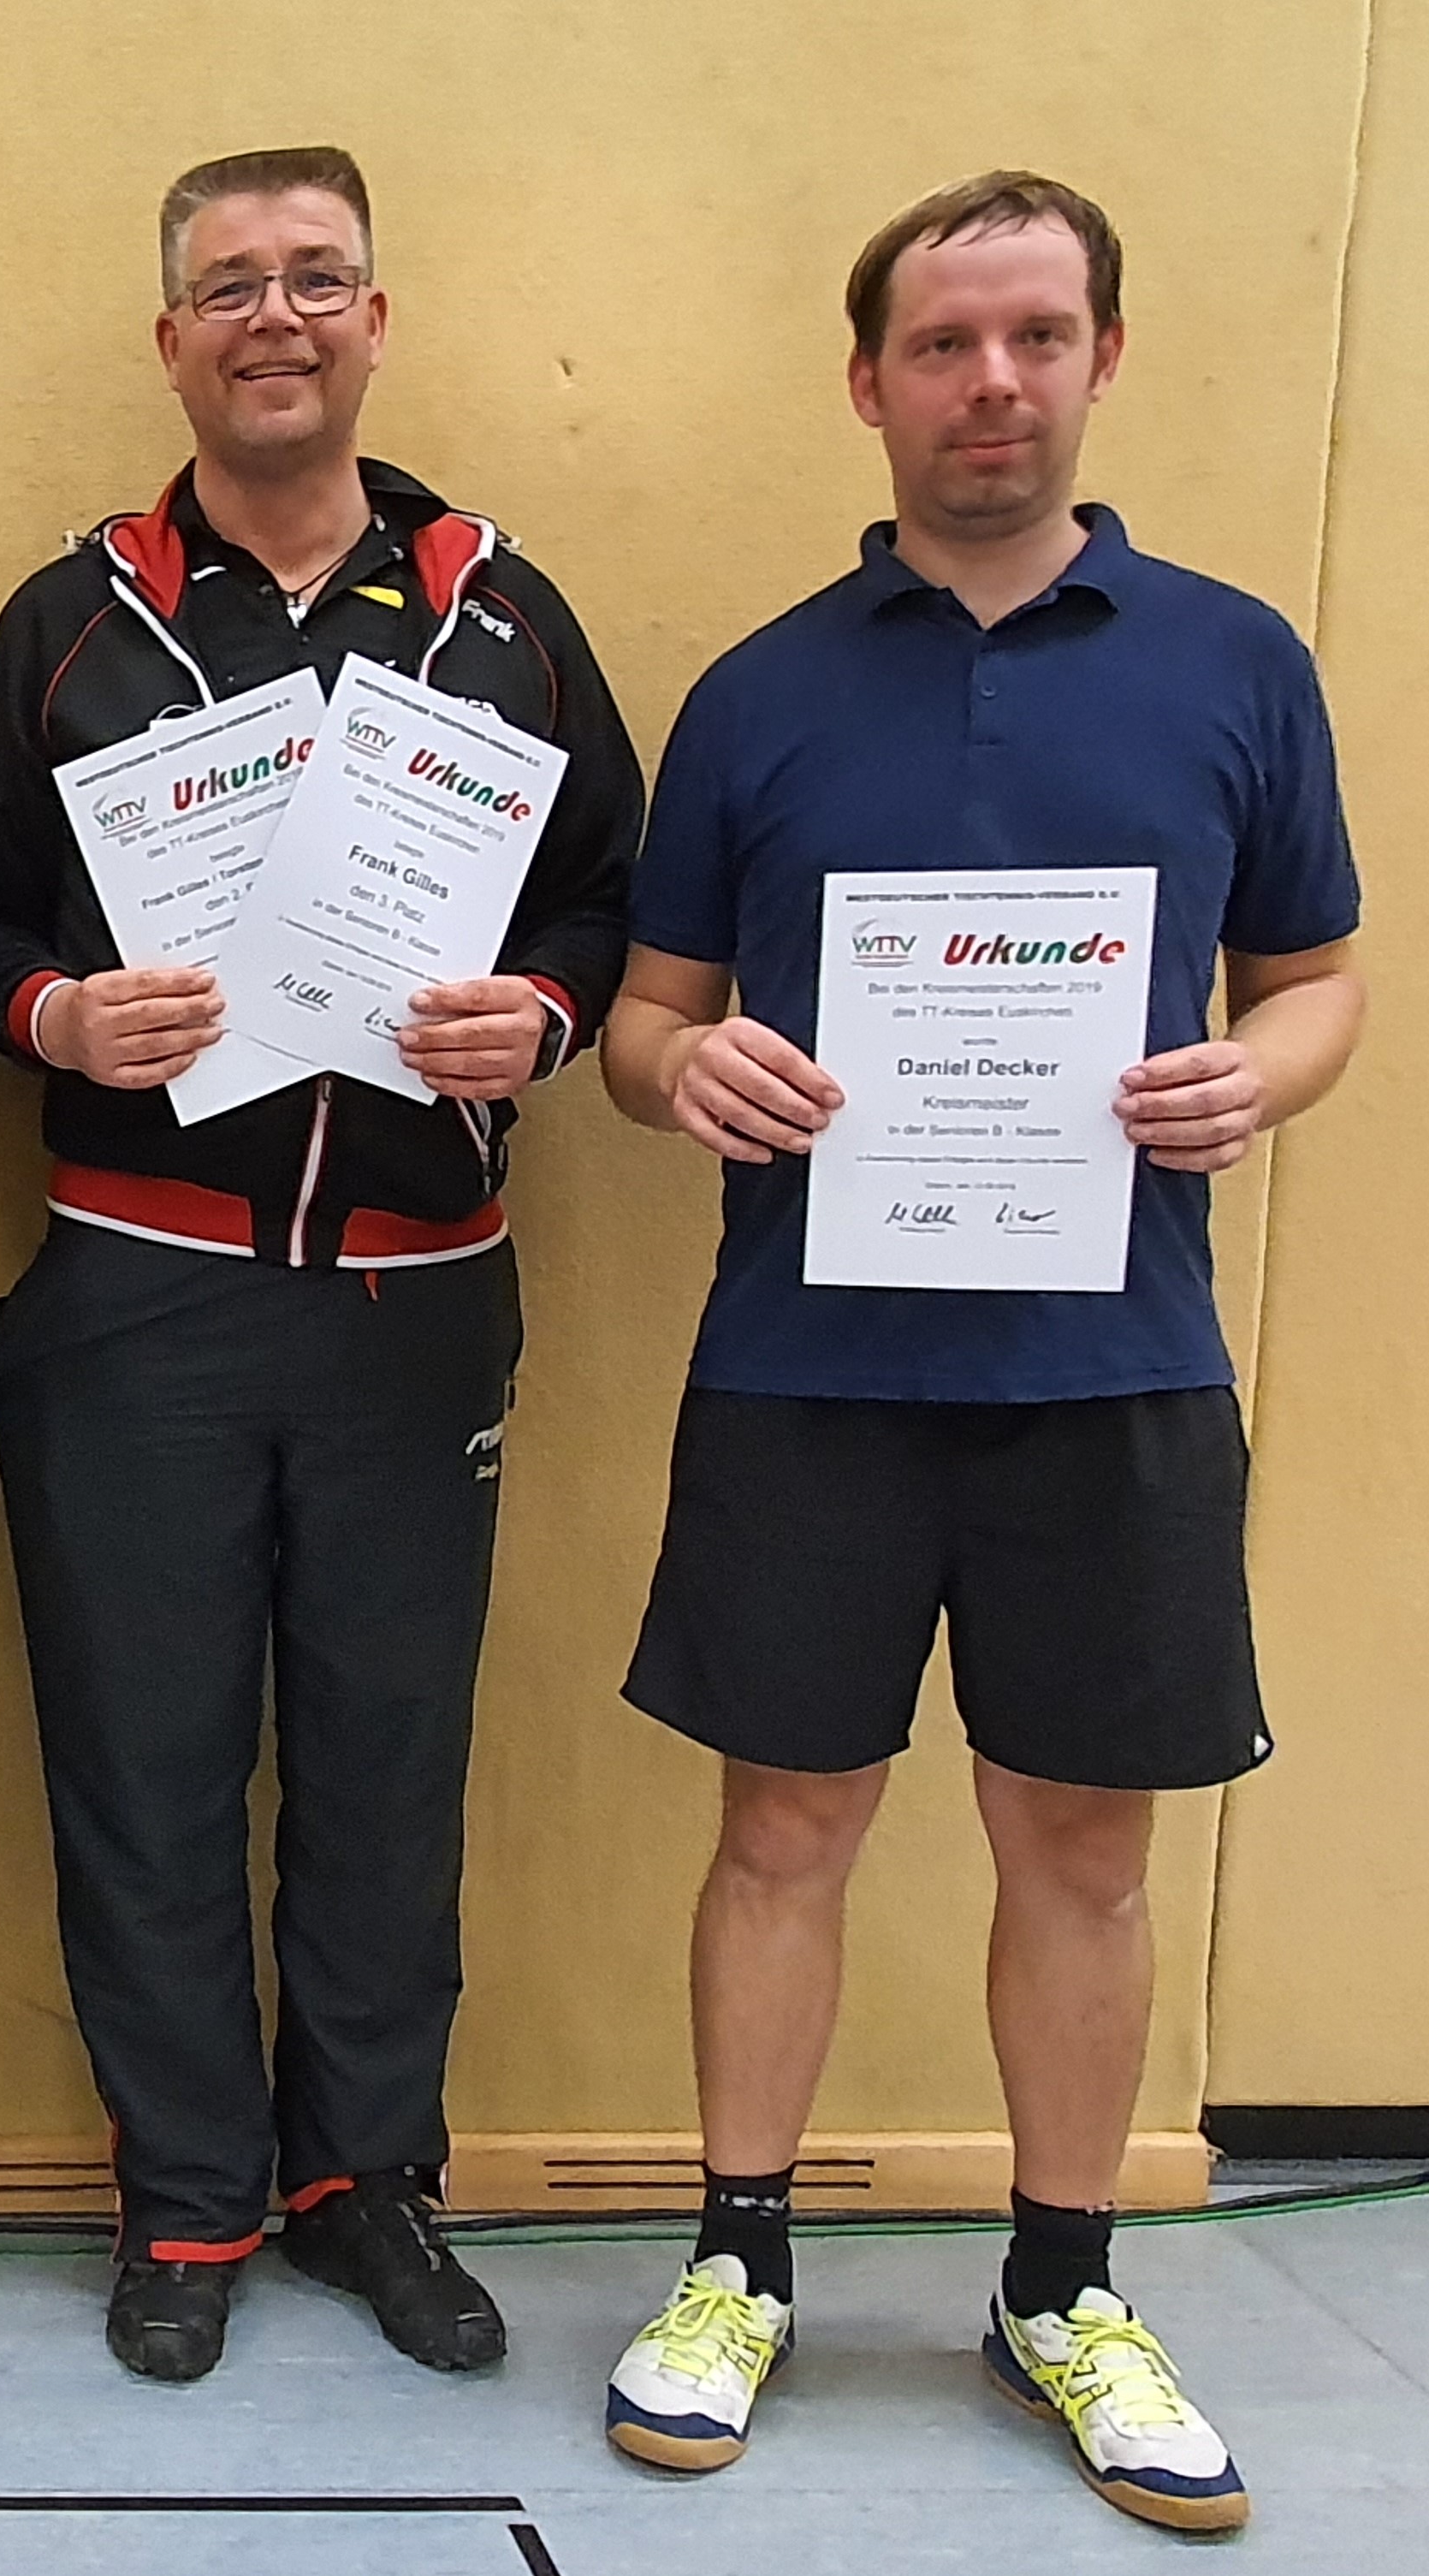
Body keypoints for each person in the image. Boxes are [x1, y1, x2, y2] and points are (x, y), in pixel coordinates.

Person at [596, 172, 1361, 2537]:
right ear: (870, 384)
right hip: (804, 1368)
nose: (991, 382)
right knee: (780, 1829)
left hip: (1109, 1366)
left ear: (1101, 357)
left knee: (1083, 1849)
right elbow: (641, 1019)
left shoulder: (1235, 664)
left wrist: (1261, 1078)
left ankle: (1062, 2285)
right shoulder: (759, 689)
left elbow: (1316, 976)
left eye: (1035, 335)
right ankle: (737, 2260)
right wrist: (683, 1070)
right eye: (942, 344)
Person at [0, 145, 641, 2383]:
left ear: (374, 319)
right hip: (133, 1289)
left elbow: (611, 902)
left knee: (384, 1759)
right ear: (170, 338)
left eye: (315, 277)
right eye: (229, 284)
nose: (275, 317)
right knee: (141, 1767)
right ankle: (186, 2196)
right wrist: (55, 1013)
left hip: (415, 1291)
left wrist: (542, 1016)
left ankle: (365, 2181)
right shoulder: (72, 621)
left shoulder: (500, 615)